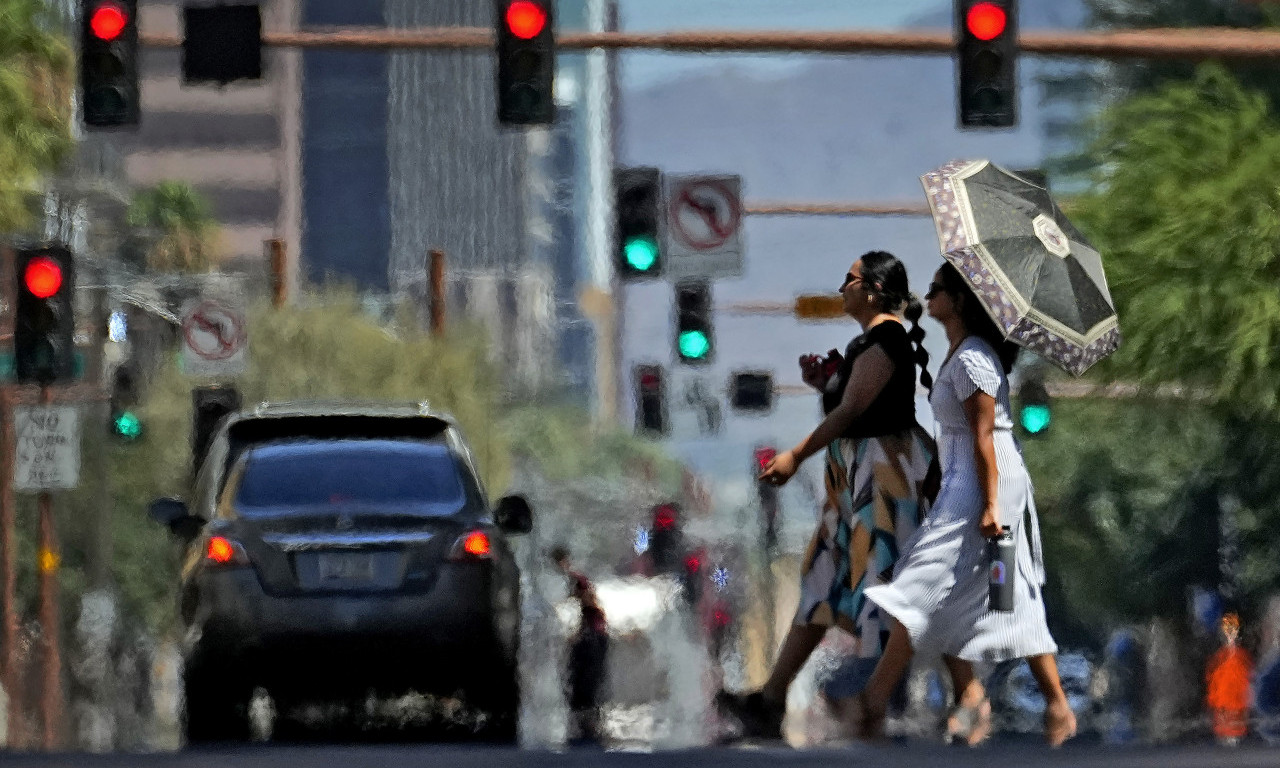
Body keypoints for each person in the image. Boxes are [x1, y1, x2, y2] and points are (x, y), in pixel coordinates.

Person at [832, 261, 1077, 747]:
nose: (929, 295)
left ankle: (874, 701)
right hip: (969, 480)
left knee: (922, 583)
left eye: (937, 288)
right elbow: (962, 436)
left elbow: (985, 436)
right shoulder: (963, 354)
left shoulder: (973, 359)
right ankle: (1048, 704)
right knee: (1001, 595)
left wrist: (990, 506)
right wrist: (938, 477)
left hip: (985, 484)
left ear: (960, 301)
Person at [718, 250, 940, 741]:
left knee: (889, 586)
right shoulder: (868, 344)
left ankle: (882, 700)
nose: (842, 288)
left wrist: (795, 455)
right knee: (823, 581)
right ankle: (771, 699)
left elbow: (853, 411)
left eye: (850, 279)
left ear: (874, 291)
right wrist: (826, 385)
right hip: (853, 481)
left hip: (880, 481)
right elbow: (852, 405)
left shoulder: (886, 340)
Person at [550, 545, 609, 746]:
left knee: (585, 676)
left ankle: (587, 718)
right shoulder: (573, 580)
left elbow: (588, 604)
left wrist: (578, 632)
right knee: (582, 677)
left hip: (590, 635)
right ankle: (585, 718)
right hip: (591, 634)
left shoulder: (575, 581)